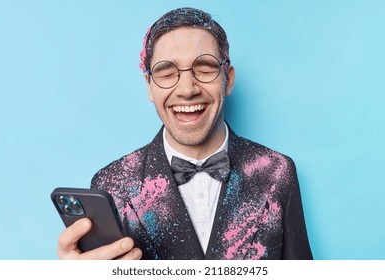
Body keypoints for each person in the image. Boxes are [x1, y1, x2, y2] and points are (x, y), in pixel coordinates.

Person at [57, 7, 313, 260]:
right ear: (149, 87)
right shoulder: (112, 184)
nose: (187, 89)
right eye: (167, 73)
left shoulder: (277, 171)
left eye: (204, 69)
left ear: (229, 79)